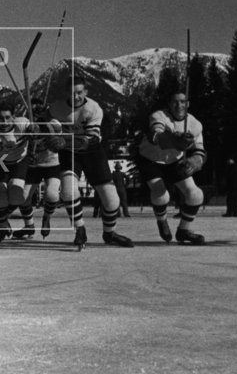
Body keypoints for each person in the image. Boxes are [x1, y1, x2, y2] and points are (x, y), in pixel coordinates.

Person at [48, 76, 133, 249]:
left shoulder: (93, 109)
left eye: (79, 92)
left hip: (92, 153)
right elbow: (47, 127)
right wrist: (46, 133)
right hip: (70, 154)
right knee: (68, 192)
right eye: (72, 93)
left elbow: (90, 140)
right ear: (66, 93)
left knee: (112, 201)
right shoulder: (56, 108)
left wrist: (63, 140)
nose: (76, 97)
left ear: (85, 92)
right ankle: (80, 229)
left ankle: (109, 233)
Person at [136, 91, 207, 245]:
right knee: (161, 193)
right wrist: (175, 140)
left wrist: (194, 162)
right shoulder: (158, 116)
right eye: (175, 102)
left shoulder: (195, 124)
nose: (179, 105)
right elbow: (156, 137)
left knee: (196, 195)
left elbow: (199, 150)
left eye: (183, 102)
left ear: (188, 104)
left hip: (174, 160)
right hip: (150, 159)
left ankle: (183, 231)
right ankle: (162, 221)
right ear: (169, 104)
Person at [0, 102, 33, 245]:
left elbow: (39, 130)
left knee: (16, 194)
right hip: (0, 160)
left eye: (8, 118)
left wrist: (36, 130)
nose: (4, 122)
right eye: (0, 118)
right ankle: (3, 227)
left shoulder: (22, 124)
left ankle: (9, 221)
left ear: (14, 117)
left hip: (19, 161)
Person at [16, 97, 61, 239]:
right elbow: (18, 133)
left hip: (52, 165)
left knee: (52, 194)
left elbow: (57, 130)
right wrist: (28, 130)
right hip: (33, 166)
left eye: (39, 110)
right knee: (23, 197)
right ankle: (29, 226)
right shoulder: (26, 123)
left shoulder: (52, 122)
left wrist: (44, 123)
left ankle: (46, 217)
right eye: (33, 110)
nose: (35, 113)